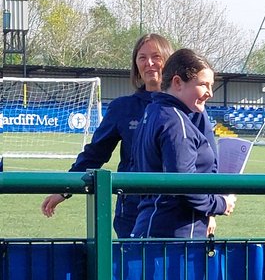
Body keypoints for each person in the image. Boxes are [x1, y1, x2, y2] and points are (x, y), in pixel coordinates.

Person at [40, 33, 173, 237]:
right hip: (132, 210)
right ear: (135, 64)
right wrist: (65, 189)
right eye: (142, 57)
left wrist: (207, 213)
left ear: (168, 60)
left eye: (156, 56)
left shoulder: (183, 108)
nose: (149, 63)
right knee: (132, 267)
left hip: (174, 211)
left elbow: (201, 161)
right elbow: (95, 153)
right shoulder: (123, 107)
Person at [130, 48, 236, 238]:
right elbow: (184, 184)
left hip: (151, 225)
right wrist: (220, 204)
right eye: (203, 85)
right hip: (175, 235)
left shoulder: (154, 111)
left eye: (211, 85)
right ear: (177, 82)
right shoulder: (175, 121)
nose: (210, 93)